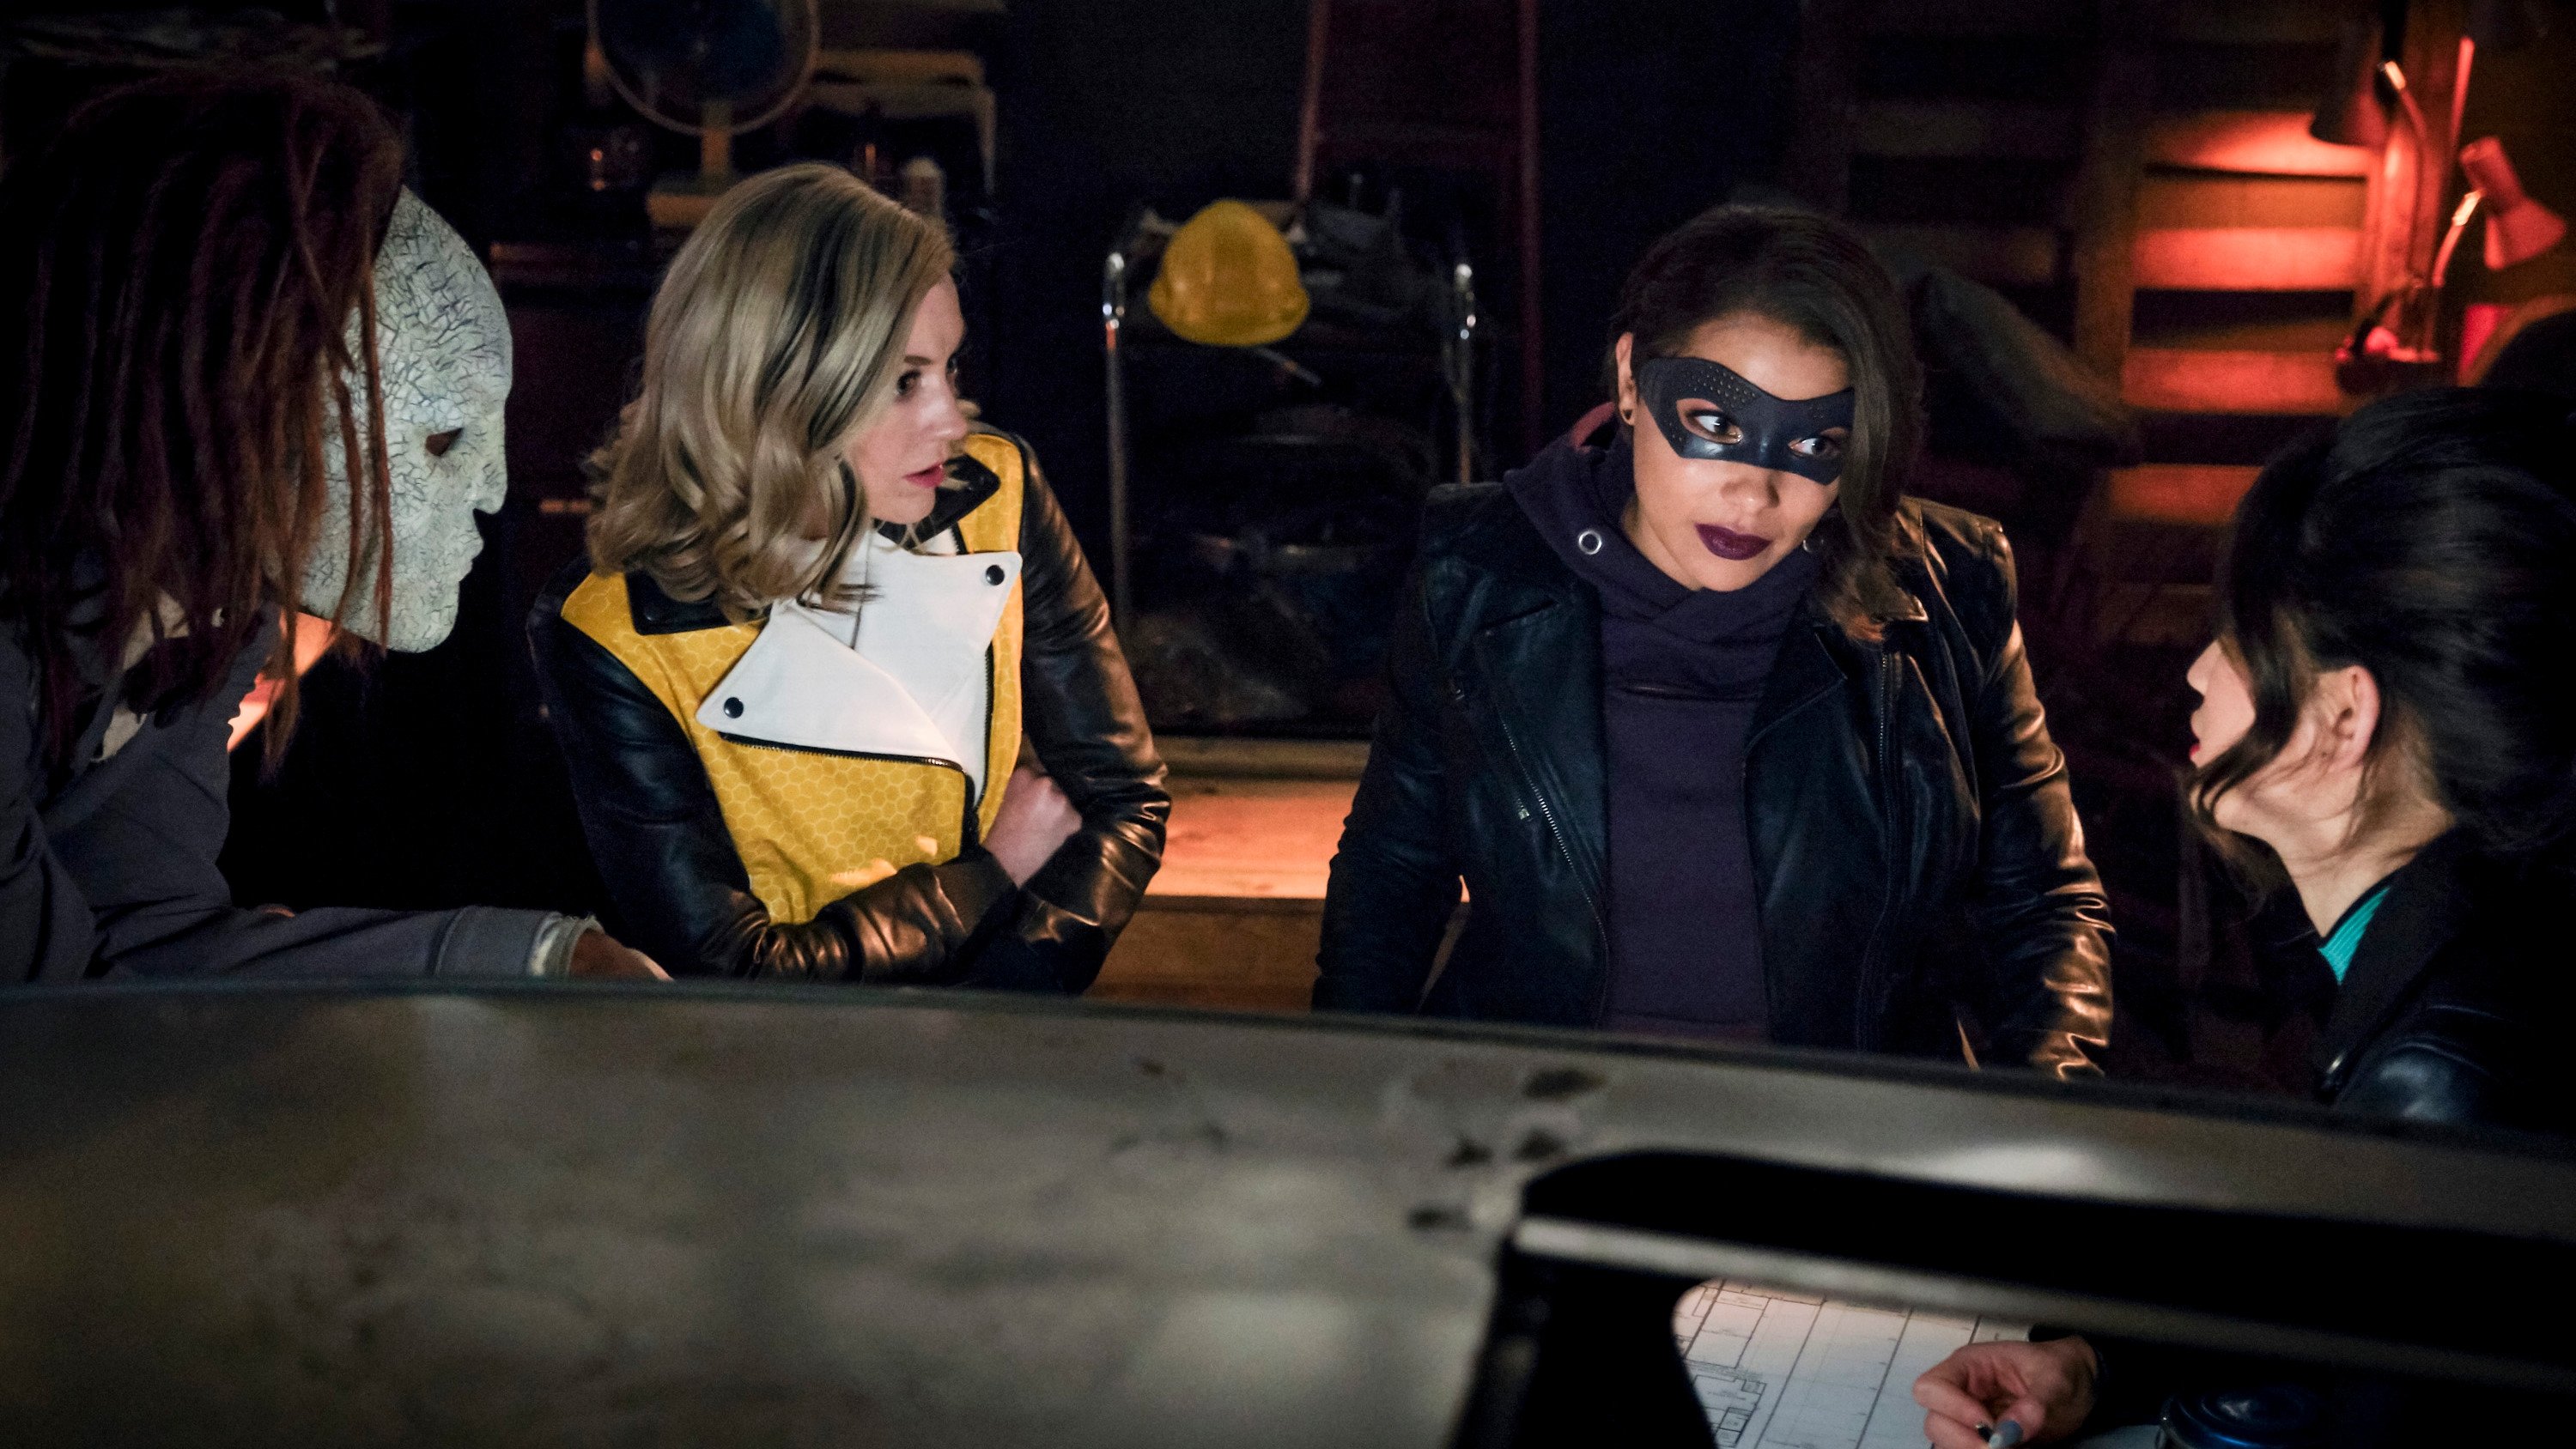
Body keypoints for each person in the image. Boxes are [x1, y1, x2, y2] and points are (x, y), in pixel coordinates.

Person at [1914, 388, 2576, 1446]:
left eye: (2236, 637)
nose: (2196, 669)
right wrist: (2095, 1363)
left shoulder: (2447, 1078)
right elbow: (2329, 1292)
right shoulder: (2453, 940)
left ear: (2344, 716)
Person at [1314, 205, 2111, 1072]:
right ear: (1631, 380)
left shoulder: (1950, 588)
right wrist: (1348, 1100)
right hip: (1541, 1120)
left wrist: (2044, 1111)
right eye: (1717, 427)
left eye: (1815, 444)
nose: (1753, 495)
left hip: (1846, 1130)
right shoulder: (1478, 573)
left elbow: (2046, 901)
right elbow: (1393, 875)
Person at [0, 74, 660, 982]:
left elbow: (138, 935)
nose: (492, 490)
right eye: (440, 437)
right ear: (229, 391)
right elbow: (53, 1006)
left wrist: (546, 956)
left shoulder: (192, 618)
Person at [532, 163, 1166, 989]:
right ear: (776, 388)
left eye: (950, 369)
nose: (951, 421)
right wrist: (993, 873)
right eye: (903, 382)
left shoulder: (998, 493)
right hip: (777, 1062)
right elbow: (738, 973)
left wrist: (1002, 1007)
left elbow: (1124, 798)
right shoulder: (615, 635)